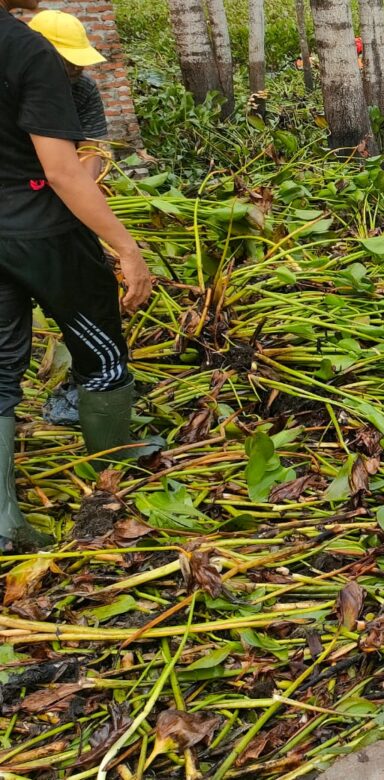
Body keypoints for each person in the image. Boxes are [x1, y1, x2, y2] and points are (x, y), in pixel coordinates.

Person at [1, 0, 153, 552]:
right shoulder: (27, 50)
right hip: (42, 230)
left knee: (0, 364)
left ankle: (4, 519)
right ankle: (110, 471)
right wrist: (127, 248)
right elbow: (62, 171)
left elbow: (89, 150)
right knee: (102, 350)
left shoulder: (74, 84)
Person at [27, 9, 108, 181]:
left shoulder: (83, 88)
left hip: (67, 174)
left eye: (79, 60)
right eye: (68, 61)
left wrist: (85, 188)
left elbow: (89, 149)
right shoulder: (12, 85)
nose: (77, 67)